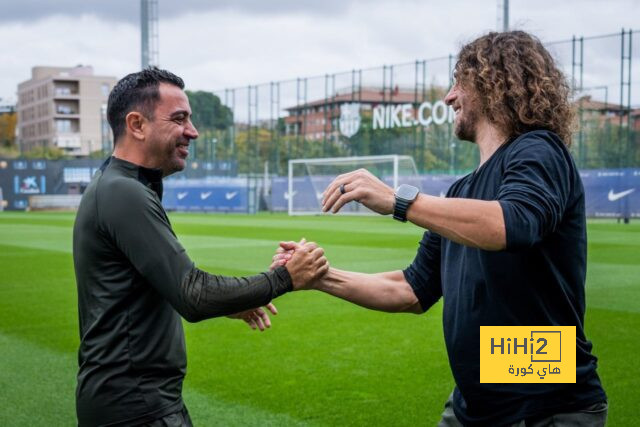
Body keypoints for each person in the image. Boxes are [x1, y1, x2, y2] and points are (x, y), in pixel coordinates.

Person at [274, 31, 607, 426]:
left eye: (458, 83)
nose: (449, 98)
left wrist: (399, 201)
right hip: (474, 406)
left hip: (547, 411)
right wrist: (320, 277)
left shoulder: (539, 149)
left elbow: (512, 223)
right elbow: (411, 289)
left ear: (493, 84)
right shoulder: (461, 191)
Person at [73, 67, 328, 427]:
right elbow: (193, 294)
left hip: (133, 403)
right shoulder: (122, 192)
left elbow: (156, 288)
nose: (192, 131)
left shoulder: (123, 186)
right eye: (179, 119)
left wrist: (237, 299)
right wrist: (286, 277)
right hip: (136, 409)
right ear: (137, 124)